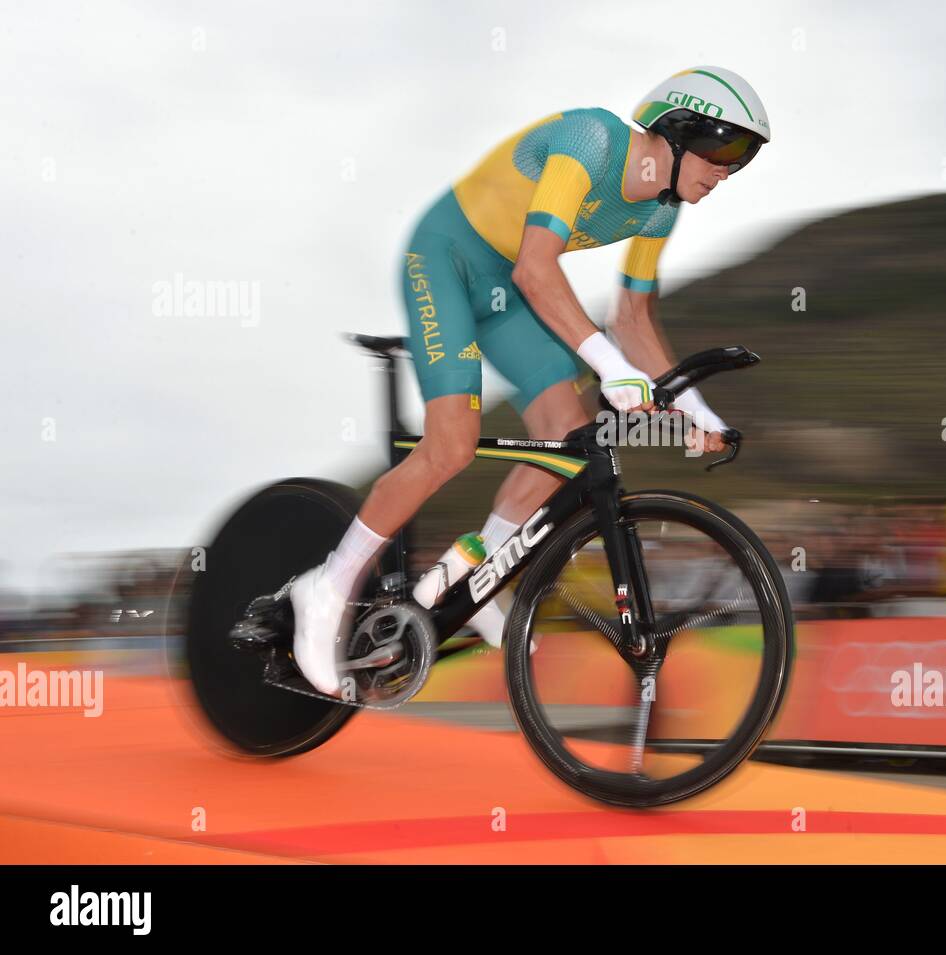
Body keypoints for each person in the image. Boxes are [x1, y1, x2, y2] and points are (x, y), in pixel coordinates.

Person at [290, 66, 772, 695]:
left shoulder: (659, 213)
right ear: (677, 132)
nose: (727, 171)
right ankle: (326, 586)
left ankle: (477, 573)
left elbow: (632, 318)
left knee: (569, 436)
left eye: (745, 158)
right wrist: (610, 367)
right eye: (724, 148)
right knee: (452, 445)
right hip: (449, 260)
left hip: (508, 286)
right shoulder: (591, 141)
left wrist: (697, 409)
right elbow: (537, 268)